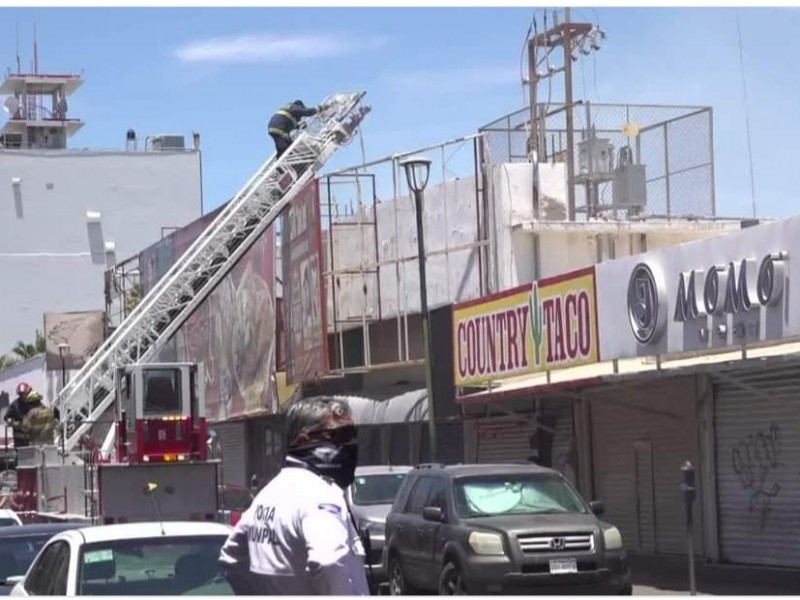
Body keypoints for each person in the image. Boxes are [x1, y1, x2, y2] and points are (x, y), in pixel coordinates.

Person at [219, 396, 368, 595]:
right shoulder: (319, 493)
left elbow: (231, 558)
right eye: (340, 436)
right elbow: (329, 562)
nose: (350, 444)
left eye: (352, 434)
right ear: (304, 440)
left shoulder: (268, 494)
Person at [4, 382, 35, 449]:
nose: (23, 396)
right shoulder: (15, 405)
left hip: (32, 439)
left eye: (25, 394)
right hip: (19, 440)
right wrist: (12, 422)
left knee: (33, 457)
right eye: (21, 394)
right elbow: (7, 417)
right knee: (20, 456)